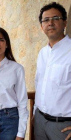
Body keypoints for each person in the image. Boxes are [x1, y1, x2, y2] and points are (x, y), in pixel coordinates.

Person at [34, 2, 71, 140]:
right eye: (46, 20)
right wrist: (34, 115)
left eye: (56, 18)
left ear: (64, 22)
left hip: (63, 126)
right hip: (39, 122)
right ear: (41, 26)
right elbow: (38, 83)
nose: (50, 23)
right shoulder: (42, 53)